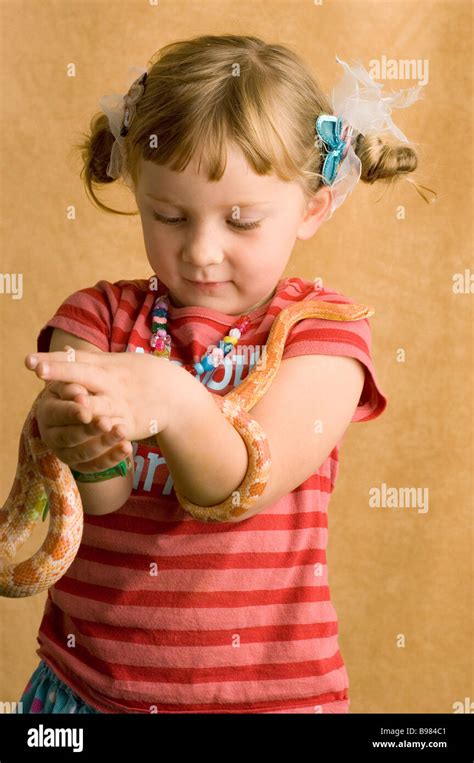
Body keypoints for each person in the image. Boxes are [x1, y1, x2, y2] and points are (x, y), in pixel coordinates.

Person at [18, 34, 434, 714]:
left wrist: (176, 402)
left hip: (266, 702)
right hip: (86, 692)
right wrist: (81, 445)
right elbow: (101, 503)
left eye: (241, 220)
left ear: (312, 208)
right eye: (169, 216)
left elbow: (235, 485)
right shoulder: (95, 319)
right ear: (138, 191)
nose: (202, 251)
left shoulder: (324, 339)